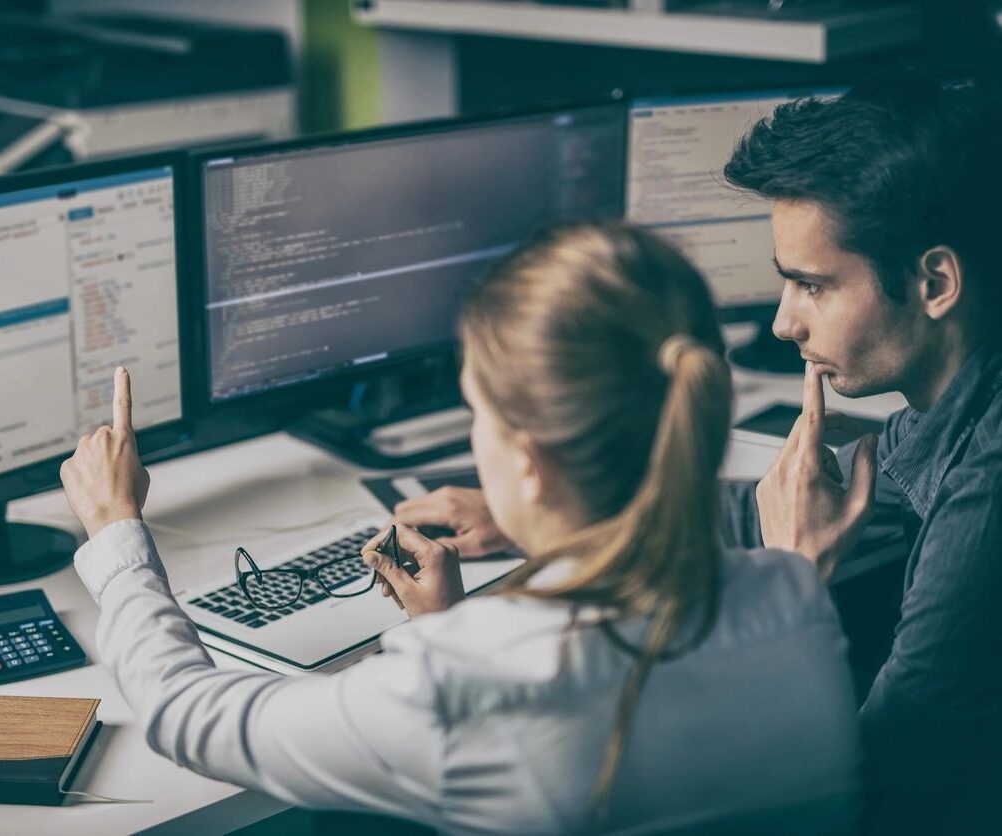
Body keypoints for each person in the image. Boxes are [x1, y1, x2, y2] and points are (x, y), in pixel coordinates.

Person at [60, 222, 860, 834]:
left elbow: (186, 716)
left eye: (478, 412)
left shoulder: (464, 681)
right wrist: (446, 628)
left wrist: (114, 526)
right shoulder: (793, 589)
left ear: (529, 462)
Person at [400, 76, 1002, 834]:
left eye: (811, 286)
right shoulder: (952, 405)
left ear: (934, 282)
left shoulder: (987, 497)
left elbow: (872, 796)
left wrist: (793, 581)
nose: (784, 323)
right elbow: (806, 497)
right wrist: (547, 510)